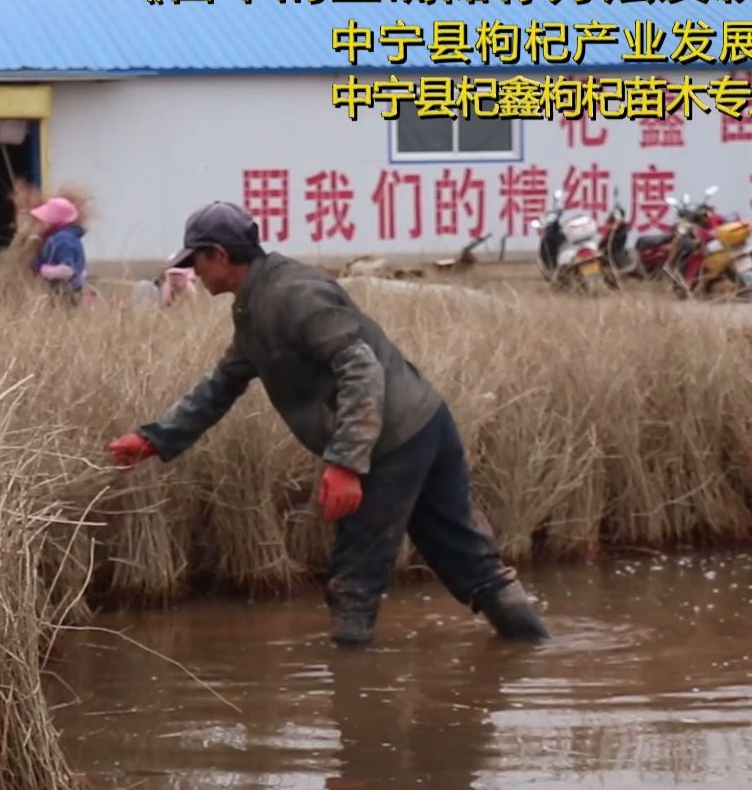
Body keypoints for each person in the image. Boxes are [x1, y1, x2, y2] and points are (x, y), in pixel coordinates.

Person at [105, 201, 550, 647]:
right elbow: (223, 383)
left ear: (219, 255)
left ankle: (354, 698)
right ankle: (532, 649)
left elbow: (362, 370)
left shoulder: (294, 294)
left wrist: (347, 464)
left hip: (392, 441)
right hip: (424, 423)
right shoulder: (257, 304)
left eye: (195, 260)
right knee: (471, 562)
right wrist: (155, 439)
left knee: (354, 583)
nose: (194, 273)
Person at [30, 196, 90, 308]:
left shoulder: (63, 240)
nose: (42, 223)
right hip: (68, 293)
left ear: (54, 221)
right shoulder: (65, 237)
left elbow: (67, 271)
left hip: (65, 296)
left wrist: (40, 267)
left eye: (44, 219)